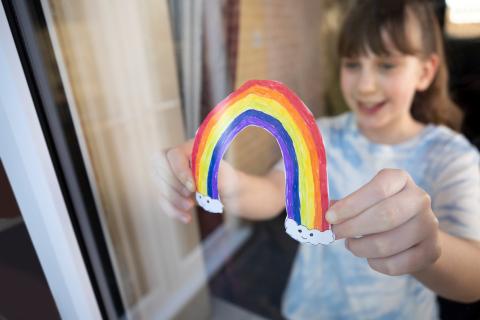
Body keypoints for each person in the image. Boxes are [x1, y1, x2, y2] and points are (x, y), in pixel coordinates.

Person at [153, 0, 480, 318]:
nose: (365, 85)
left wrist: (428, 246)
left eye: (386, 65)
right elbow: (273, 192)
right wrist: (224, 180)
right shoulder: (321, 135)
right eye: (352, 64)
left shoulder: (451, 157)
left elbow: (474, 277)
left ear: (425, 72)